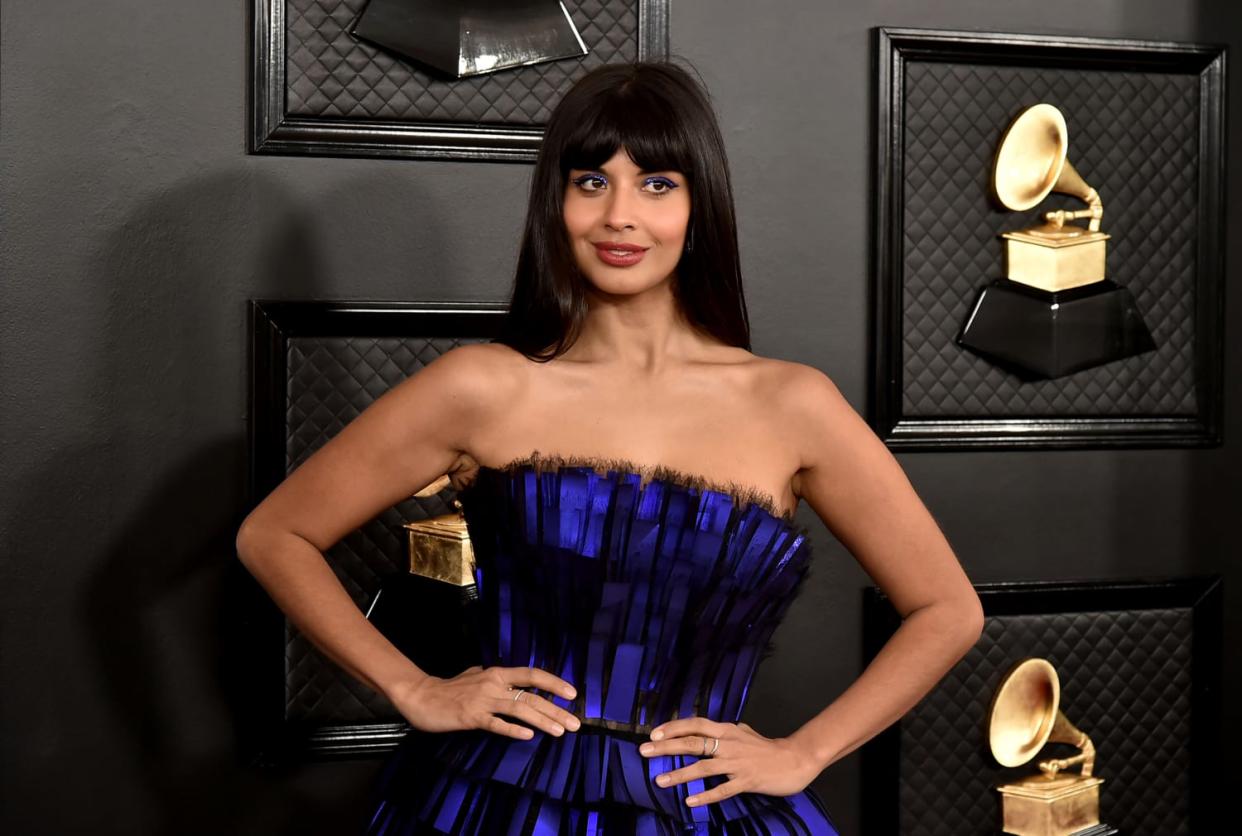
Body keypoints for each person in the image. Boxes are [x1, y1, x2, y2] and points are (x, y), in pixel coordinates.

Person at [236, 60, 984, 835]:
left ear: (701, 207)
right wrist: (414, 687)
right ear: (557, 203)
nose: (619, 215)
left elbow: (947, 609)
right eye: (592, 181)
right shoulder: (482, 387)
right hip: (491, 803)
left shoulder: (793, 404)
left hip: (703, 812)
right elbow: (275, 535)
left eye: (656, 183)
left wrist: (805, 752)